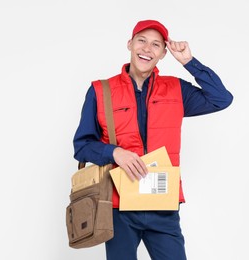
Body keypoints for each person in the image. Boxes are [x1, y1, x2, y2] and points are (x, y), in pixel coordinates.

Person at [73, 19, 233, 260]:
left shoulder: (177, 90)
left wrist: (189, 62)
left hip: (163, 205)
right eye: (142, 41)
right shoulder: (100, 90)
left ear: (163, 54)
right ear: (130, 44)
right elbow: (82, 146)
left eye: (156, 45)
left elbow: (221, 99)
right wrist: (115, 152)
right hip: (118, 206)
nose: (147, 49)